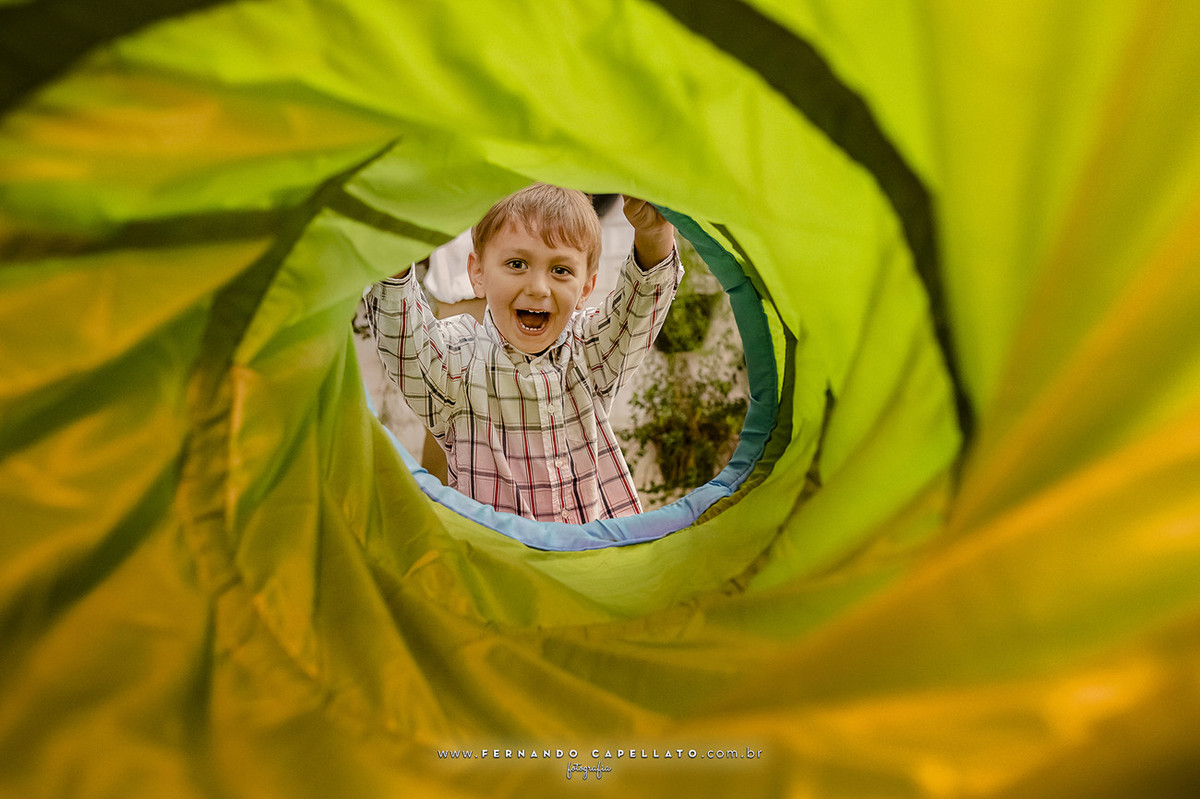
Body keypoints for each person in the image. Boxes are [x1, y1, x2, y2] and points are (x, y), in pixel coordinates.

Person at [366, 183, 681, 524]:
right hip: (504, 570)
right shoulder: (458, 365)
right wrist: (395, 239)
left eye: (561, 270)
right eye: (517, 264)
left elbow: (642, 302)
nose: (538, 288)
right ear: (478, 273)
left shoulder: (589, 351)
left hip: (596, 565)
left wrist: (653, 234)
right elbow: (401, 332)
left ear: (585, 289)